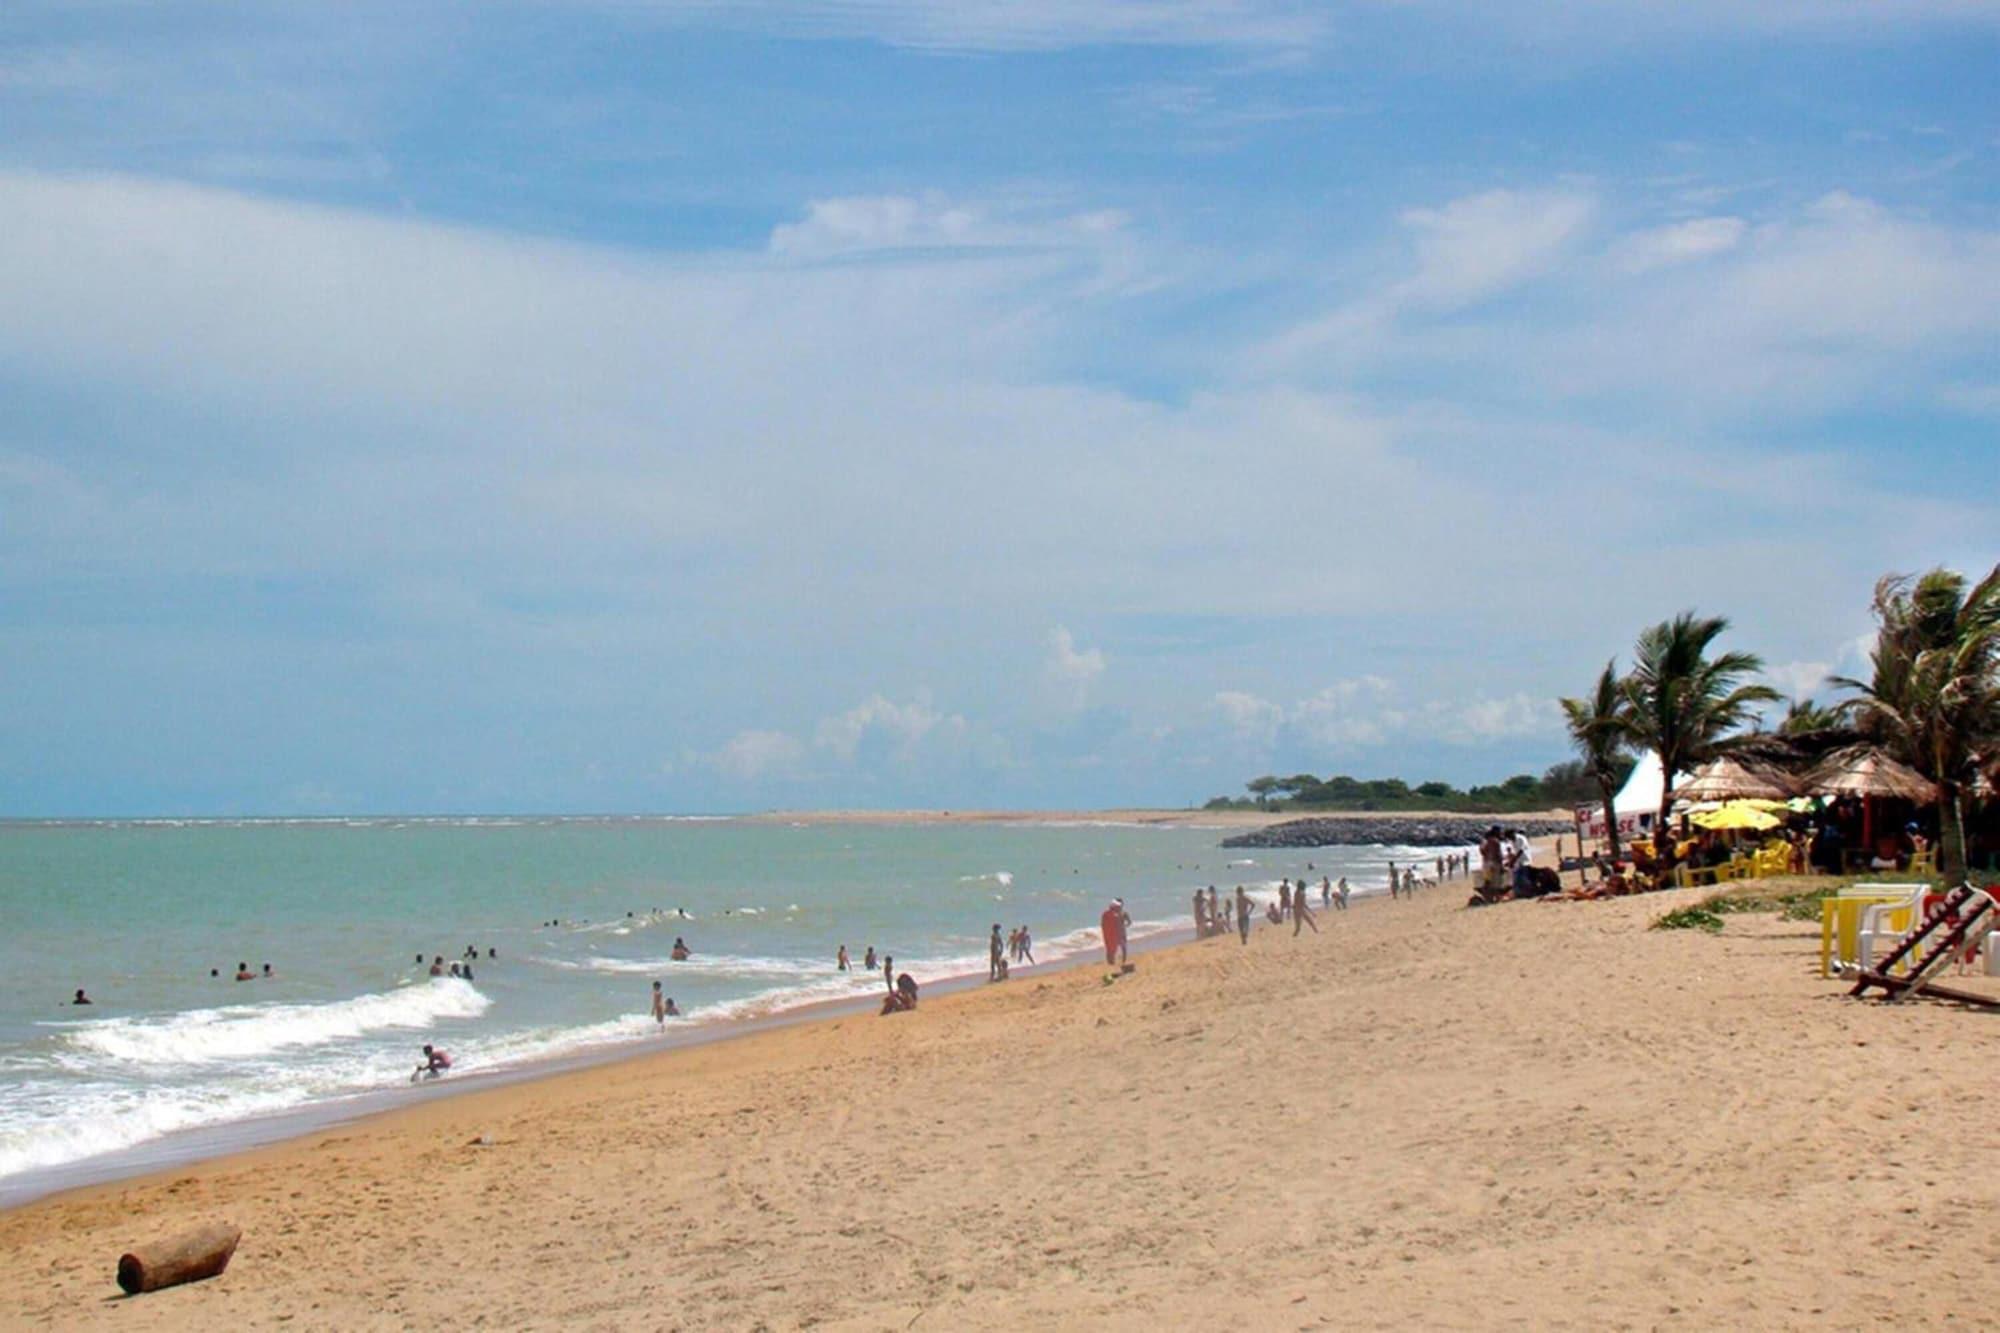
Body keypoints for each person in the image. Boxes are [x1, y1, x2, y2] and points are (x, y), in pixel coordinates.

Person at [1099, 901, 1125, 966]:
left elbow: (1103, 924)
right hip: (1111, 933)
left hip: (1108, 933)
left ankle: (1111, 961)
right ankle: (1111, 961)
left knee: (1110, 948)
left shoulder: (1106, 914)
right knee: (1112, 948)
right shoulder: (1113, 915)